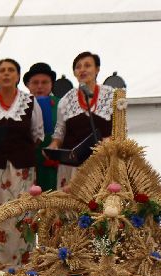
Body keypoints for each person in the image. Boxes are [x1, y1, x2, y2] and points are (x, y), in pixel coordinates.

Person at [0, 58, 44, 267]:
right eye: (2, 70)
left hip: (21, 172)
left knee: (19, 220)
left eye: (11, 70)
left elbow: (37, 134)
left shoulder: (30, 101)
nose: (6, 74)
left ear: (18, 76)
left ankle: (21, 271)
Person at [49, 51, 114, 189]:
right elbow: (60, 131)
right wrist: (54, 146)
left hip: (102, 163)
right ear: (74, 72)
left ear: (97, 69)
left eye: (87, 65)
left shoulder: (111, 95)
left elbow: (121, 129)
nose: (82, 70)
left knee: (101, 208)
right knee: (71, 209)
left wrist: (109, 143)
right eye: (78, 67)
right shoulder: (66, 100)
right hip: (72, 166)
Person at [23, 62, 59, 192]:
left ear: (51, 84)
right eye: (35, 82)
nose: (40, 86)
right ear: (27, 85)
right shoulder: (21, 105)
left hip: (55, 164)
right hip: (27, 164)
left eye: (44, 82)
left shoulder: (61, 104)